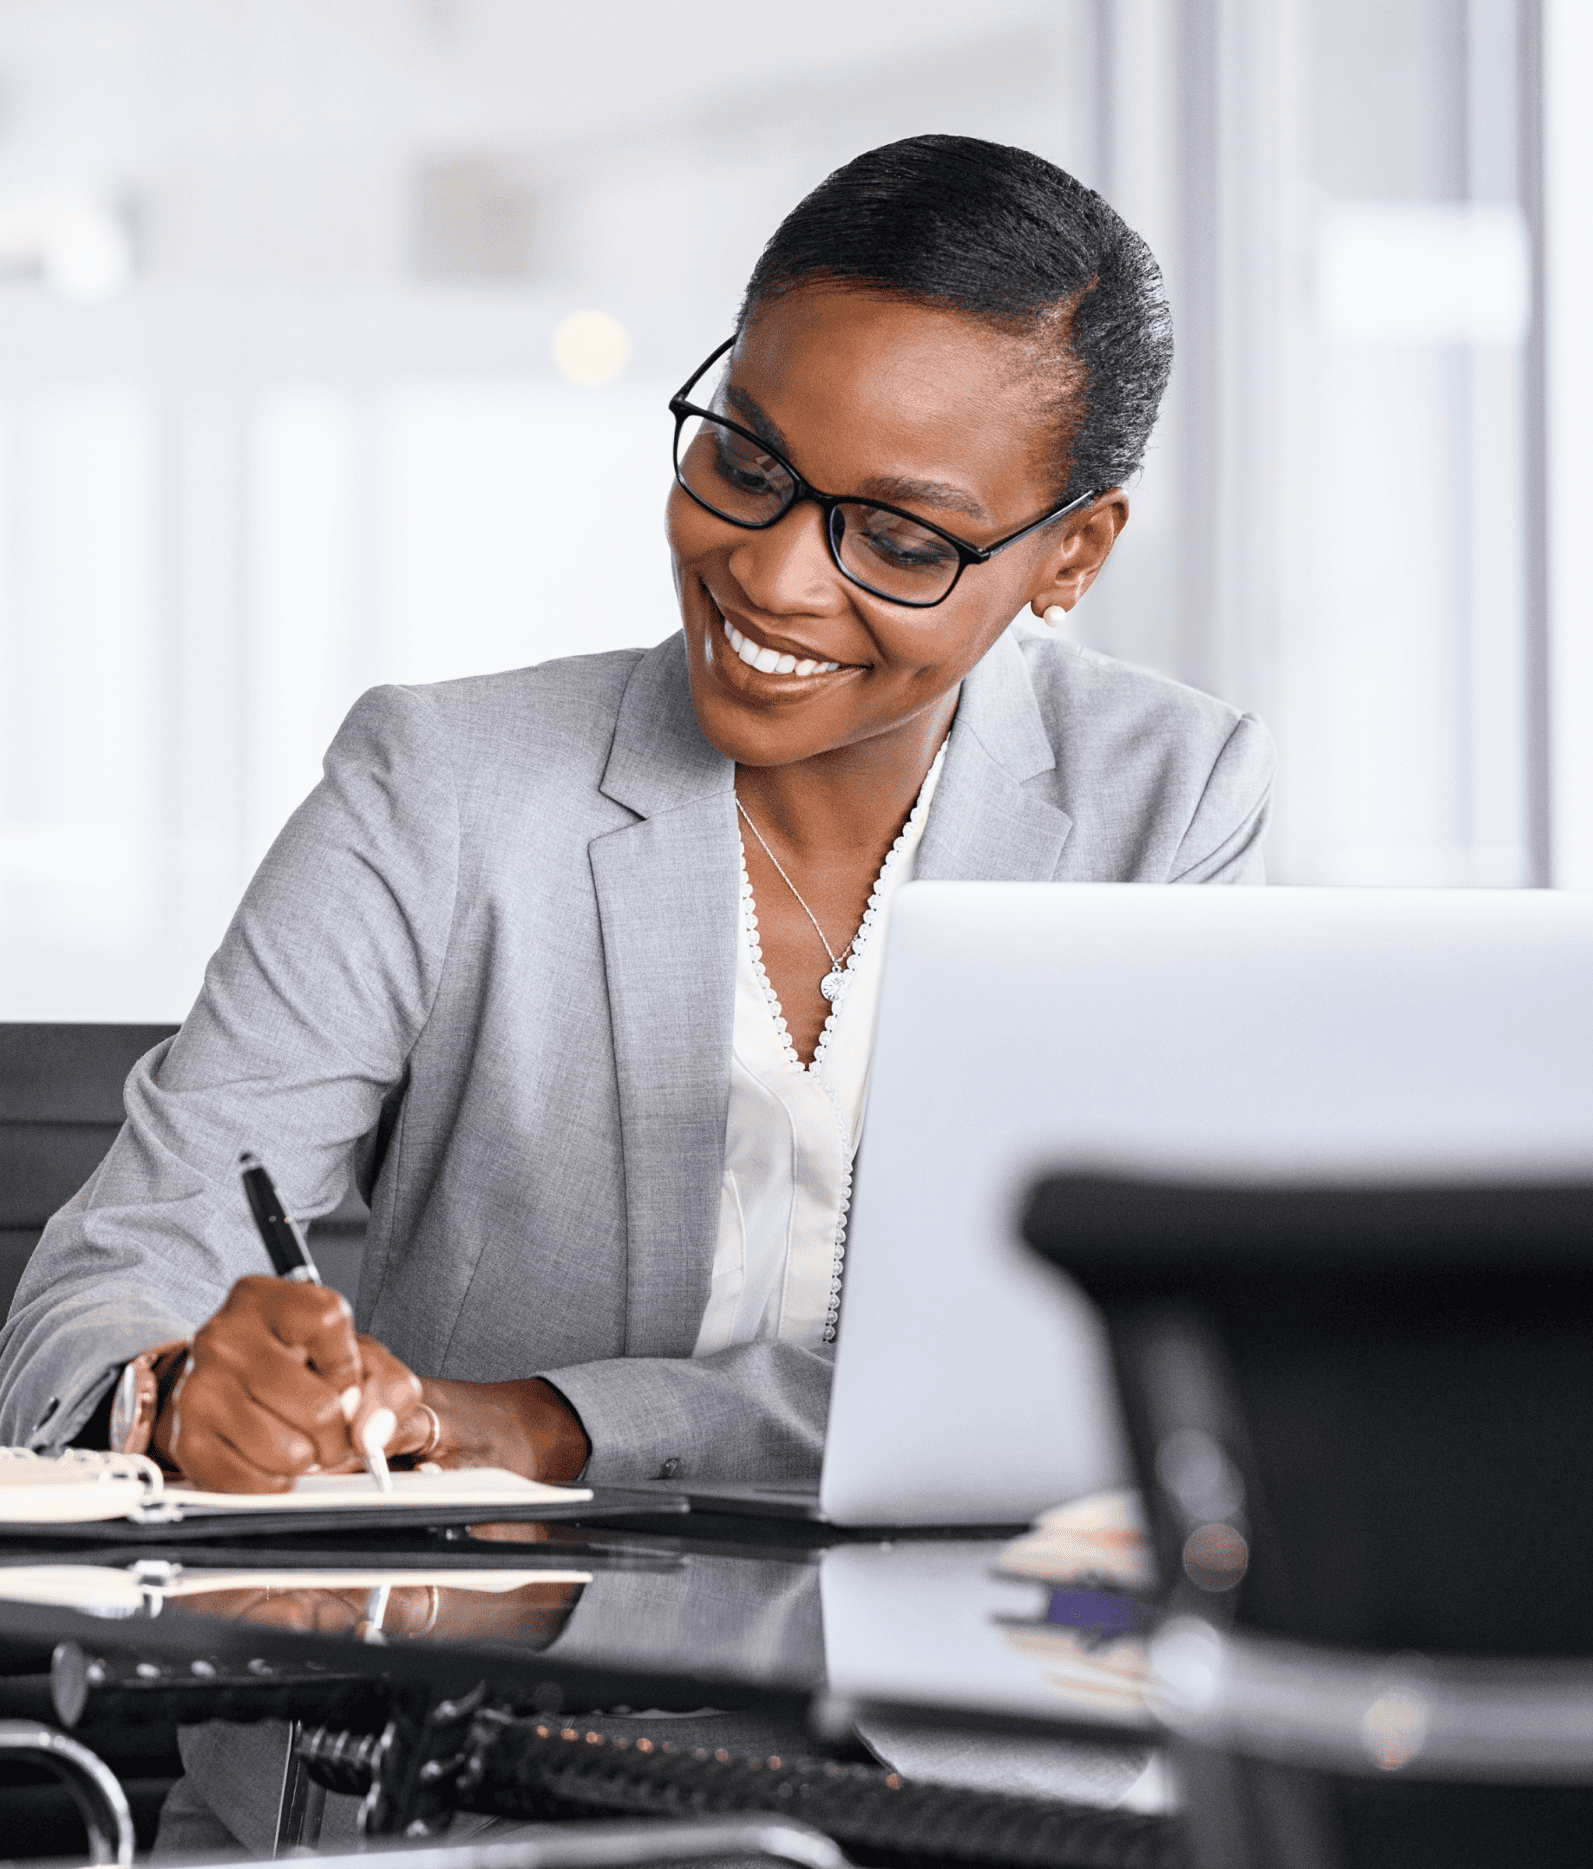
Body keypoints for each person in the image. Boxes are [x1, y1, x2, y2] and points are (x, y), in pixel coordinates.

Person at [0, 134, 1273, 1497]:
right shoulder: (442, 782)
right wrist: (177, 1388)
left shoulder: (1166, 804)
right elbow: (112, 1280)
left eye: (901, 540)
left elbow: (1106, 1369)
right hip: (482, 1678)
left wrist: (543, 1425)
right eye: (745, 459)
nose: (775, 577)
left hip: (967, 1682)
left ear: (1069, 555)